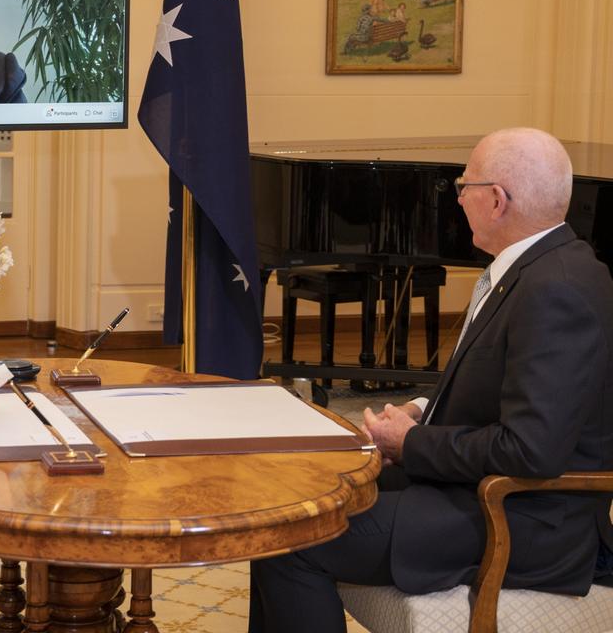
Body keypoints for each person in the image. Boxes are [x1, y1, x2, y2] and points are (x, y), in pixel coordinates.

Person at [249, 128, 613, 632]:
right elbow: (499, 384)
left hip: (520, 517)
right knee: (292, 497)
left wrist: (413, 442)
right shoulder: (538, 268)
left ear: (497, 200)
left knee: (290, 541)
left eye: (464, 185)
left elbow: (532, 451)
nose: (459, 197)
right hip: (477, 490)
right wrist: (423, 409)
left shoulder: (557, 291)